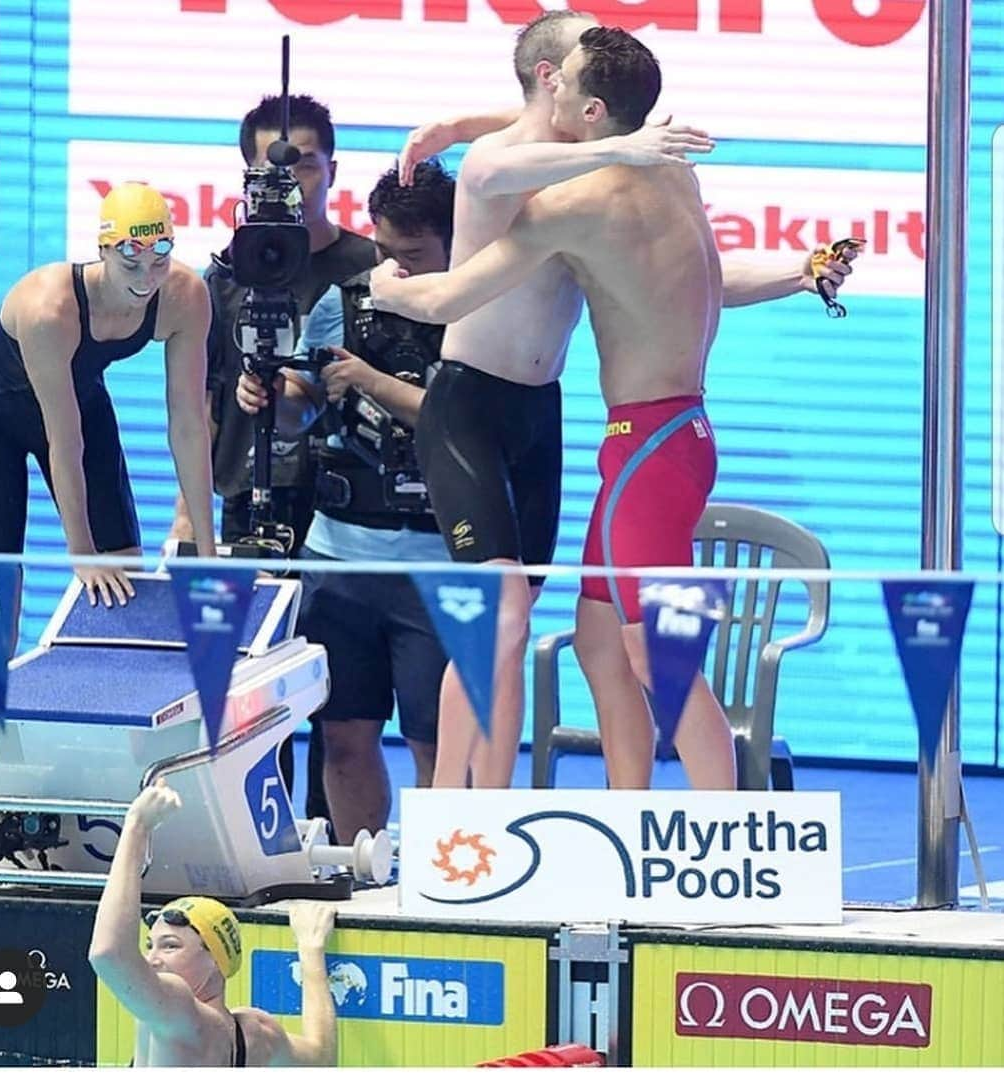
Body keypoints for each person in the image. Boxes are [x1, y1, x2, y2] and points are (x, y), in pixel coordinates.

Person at [370, 26, 857, 791]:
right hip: (646, 434)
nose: (551, 88)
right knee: (598, 639)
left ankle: (720, 838)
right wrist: (457, 128)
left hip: (644, 445)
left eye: (564, 80)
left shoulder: (574, 203)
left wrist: (387, 290)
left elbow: (444, 295)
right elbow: (690, 276)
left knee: (656, 656)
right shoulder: (669, 175)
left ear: (591, 107)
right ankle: (622, 811)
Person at [168, 93, 376, 826]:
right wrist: (185, 519)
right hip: (240, 502)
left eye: (306, 165)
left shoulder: (370, 269)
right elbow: (200, 405)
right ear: (245, 176)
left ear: (332, 169)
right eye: (270, 167)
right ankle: (258, 847)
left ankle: (339, 860)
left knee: (341, 704)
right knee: (249, 703)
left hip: (348, 515)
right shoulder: (220, 278)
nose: (291, 181)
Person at [235, 160, 455, 844]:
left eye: (413, 256)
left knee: (437, 742)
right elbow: (304, 408)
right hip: (338, 559)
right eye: (384, 251)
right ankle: (362, 881)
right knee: (344, 734)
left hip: (438, 569)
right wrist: (275, 398)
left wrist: (367, 378)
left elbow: (462, 422)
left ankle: (439, 881)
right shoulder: (342, 302)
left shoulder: (484, 312)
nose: (393, 268)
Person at [0, 181, 216, 621]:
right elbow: (64, 439)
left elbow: (188, 425)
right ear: (104, 250)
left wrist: (207, 553)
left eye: (160, 260)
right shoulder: (49, 309)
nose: (147, 279)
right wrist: (82, 553)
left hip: (83, 405)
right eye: (131, 263)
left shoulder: (184, 297)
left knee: (125, 578)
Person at [89, 779, 337, 1068]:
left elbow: (109, 954)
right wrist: (311, 950)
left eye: (170, 946)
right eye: (150, 945)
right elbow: (321, 1058)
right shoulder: (256, 1033)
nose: (151, 959)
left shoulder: (180, 1012)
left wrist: (136, 828)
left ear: (215, 960)